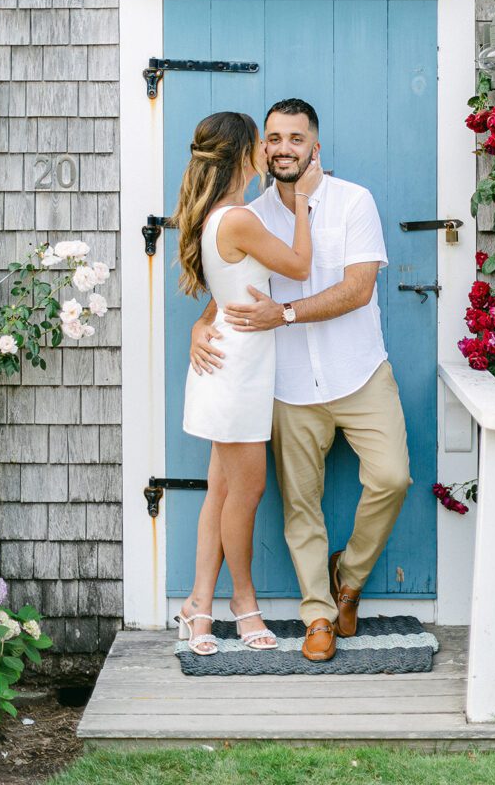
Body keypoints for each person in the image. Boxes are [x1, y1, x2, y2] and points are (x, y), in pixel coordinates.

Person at [190, 99, 412, 662]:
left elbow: (358, 288)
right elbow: (232, 280)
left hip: (358, 370)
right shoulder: (251, 212)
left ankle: (350, 576)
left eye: (295, 137)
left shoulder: (353, 201)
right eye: (273, 138)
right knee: (299, 505)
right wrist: (202, 322)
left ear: (316, 145)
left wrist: (285, 314)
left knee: (393, 477)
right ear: (260, 149)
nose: (284, 147)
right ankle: (318, 614)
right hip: (286, 382)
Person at [172, 110, 322, 656]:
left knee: (221, 491)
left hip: (233, 364)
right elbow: (301, 267)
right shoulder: (237, 219)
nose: (268, 152)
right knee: (248, 490)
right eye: (261, 144)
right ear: (243, 154)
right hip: (235, 372)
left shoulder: (220, 216)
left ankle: (197, 604)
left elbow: (230, 290)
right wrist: (303, 201)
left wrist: (200, 323)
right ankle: (243, 601)